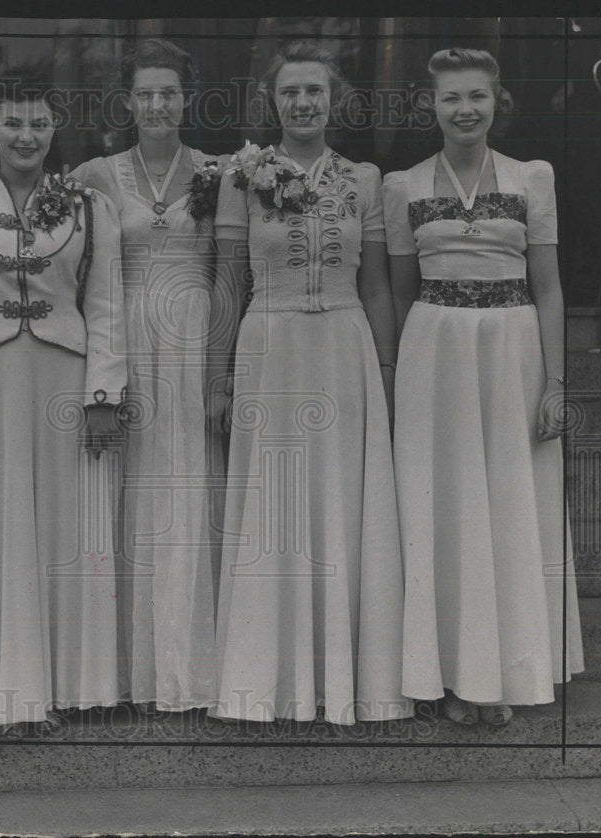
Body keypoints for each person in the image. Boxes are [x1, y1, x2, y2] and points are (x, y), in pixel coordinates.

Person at [206, 42, 411, 725]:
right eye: (290, 92)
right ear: (273, 101)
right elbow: (229, 283)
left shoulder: (365, 178)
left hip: (346, 347)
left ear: (335, 100)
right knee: (279, 504)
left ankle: (348, 680)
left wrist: (385, 371)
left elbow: (378, 286)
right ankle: (270, 680)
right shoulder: (243, 175)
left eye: (314, 91)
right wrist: (218, 375)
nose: (302, 103)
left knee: (342, 503)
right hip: (271, 346)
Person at [383, 47, 584, 727]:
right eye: (450, 99)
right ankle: (441, 672)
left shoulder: (534, 177)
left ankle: (504, 670)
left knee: (507, 504)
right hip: (435, 354)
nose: (464, 109)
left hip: (512, 351)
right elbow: (404, 296)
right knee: (443, 509)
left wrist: (555, 384)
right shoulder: (401, 186)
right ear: (431, 107)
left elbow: (551, 288)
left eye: (477, 96)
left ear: (498, 102)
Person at [0, 67, 127, 729]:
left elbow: (106, 306)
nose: (26, 135)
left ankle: (75, 687)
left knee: (66, 528)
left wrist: (104, 392)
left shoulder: (86, 205)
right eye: (12, 121)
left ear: (55, 127)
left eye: (39, 122)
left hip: (65, 384)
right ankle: (6, 695)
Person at [70, 39, 227, 712]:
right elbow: (75, 272)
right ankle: (130, 671)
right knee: (129, 491)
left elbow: (230, 267)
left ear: (186, 98)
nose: (158, 104)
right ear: (128, 101)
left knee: (191, 488)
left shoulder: (220, 172)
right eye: (146, 93)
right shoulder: (96, 175)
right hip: (126, 336)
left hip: (194, 336)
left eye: (170, 92)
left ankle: (191, 669)